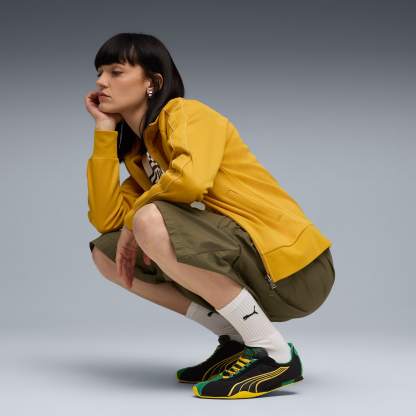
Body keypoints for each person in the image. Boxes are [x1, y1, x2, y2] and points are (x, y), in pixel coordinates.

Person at [84, 32, 336, 399]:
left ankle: (274, 354)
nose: (101, 82)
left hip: (294, 268)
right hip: (252, 270)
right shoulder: (142, 159)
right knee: (106, 253)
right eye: (99, 73)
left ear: (153, 82)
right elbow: (106, 220)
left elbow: (190, 181)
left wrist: (134, 222)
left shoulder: (187, 115)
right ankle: (237, 338)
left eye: (116, 72)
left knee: (148, 220)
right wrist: (104, 132)